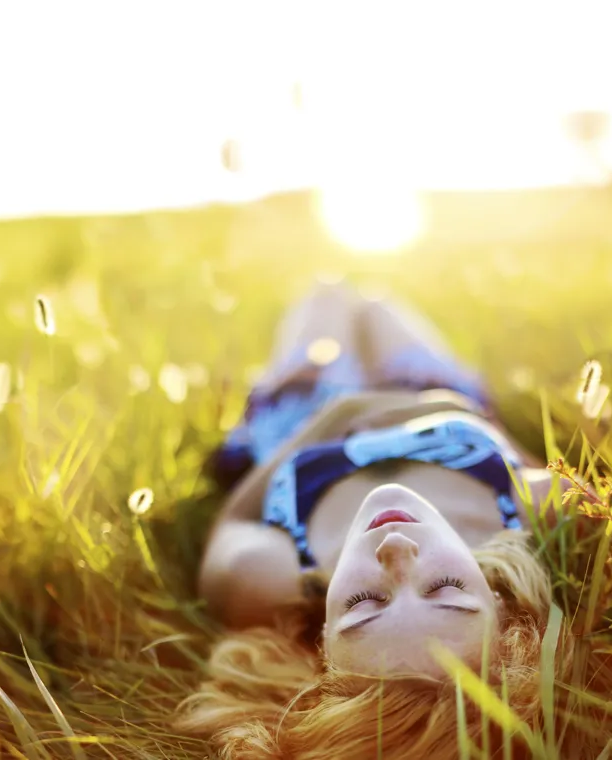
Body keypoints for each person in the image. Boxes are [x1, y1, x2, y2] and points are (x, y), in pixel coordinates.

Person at [175, 279, 583, 759]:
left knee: (325, 294)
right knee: (379, 302)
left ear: (324, 650)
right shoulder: (539, 514)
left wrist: (325, 422)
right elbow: (539, 463)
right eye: (447, 589)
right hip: (430, 386)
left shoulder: (261, 578)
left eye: (367, 602)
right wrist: (464, 413)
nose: (396, 551)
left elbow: (234, 517)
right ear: (499, 605)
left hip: (308, 407)